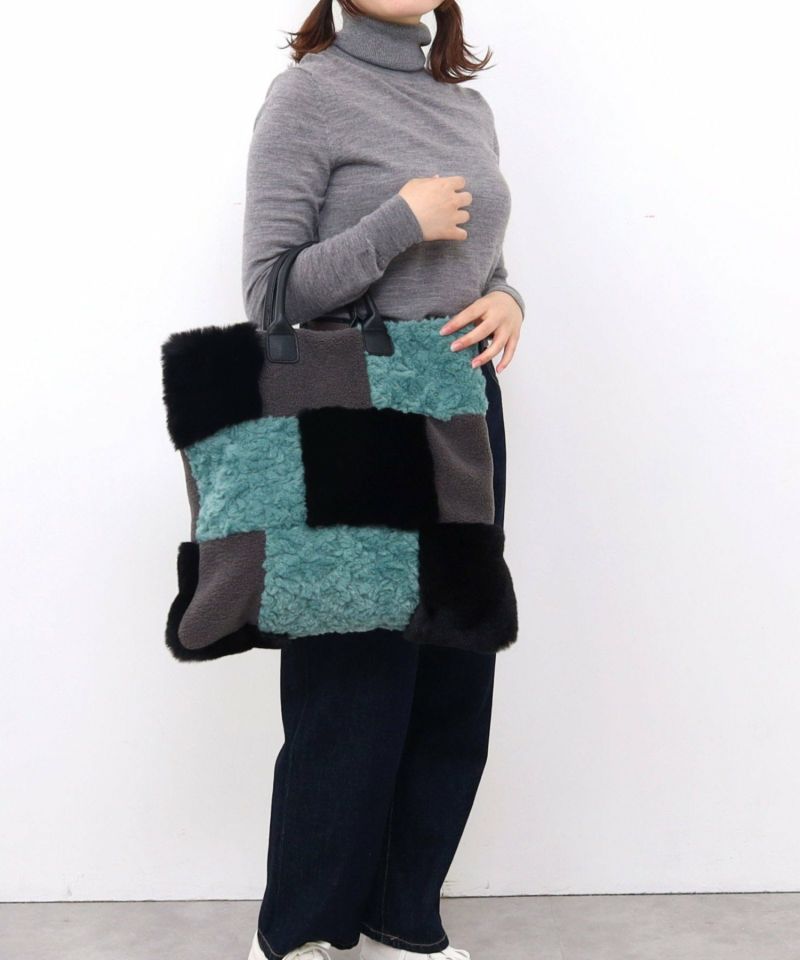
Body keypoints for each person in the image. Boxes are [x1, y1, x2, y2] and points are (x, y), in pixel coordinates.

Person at [241, 2, 525, 958]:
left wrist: (508, 299)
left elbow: (483, 260)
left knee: (454, 677)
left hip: (463, 401)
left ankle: (403, 919)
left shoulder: (467, 106)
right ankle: (298, 935)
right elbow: (270, 293)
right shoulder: (308, 96)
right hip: (359, 408)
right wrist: (397, 222)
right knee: (351, 681)